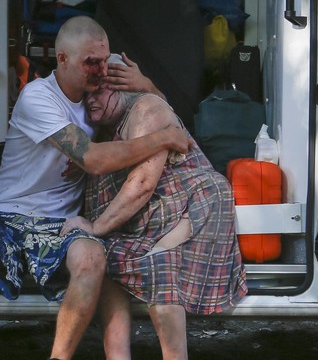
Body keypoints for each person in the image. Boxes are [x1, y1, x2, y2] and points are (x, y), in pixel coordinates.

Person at [0, 17, 191, 360]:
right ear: (61, 59)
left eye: (104, 59)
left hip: (61, 219)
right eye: (90, 63)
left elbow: (161, 113)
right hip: (7, 212)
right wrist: (162, 139)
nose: (100, 71)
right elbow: (92, 159)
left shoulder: (102, 87)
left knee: (93, 258)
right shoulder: (38, 96)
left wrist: (146, 84)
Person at [62, 54, 249, 360]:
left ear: (122, 88)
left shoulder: (146, 109)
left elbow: (142, 184)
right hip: (149, 217)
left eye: (99, 91)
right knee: (106, 263)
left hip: (192, 207)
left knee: (160, 274)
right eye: (87, 94)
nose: (90, 100)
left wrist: (94, 226)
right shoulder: (109, 124)